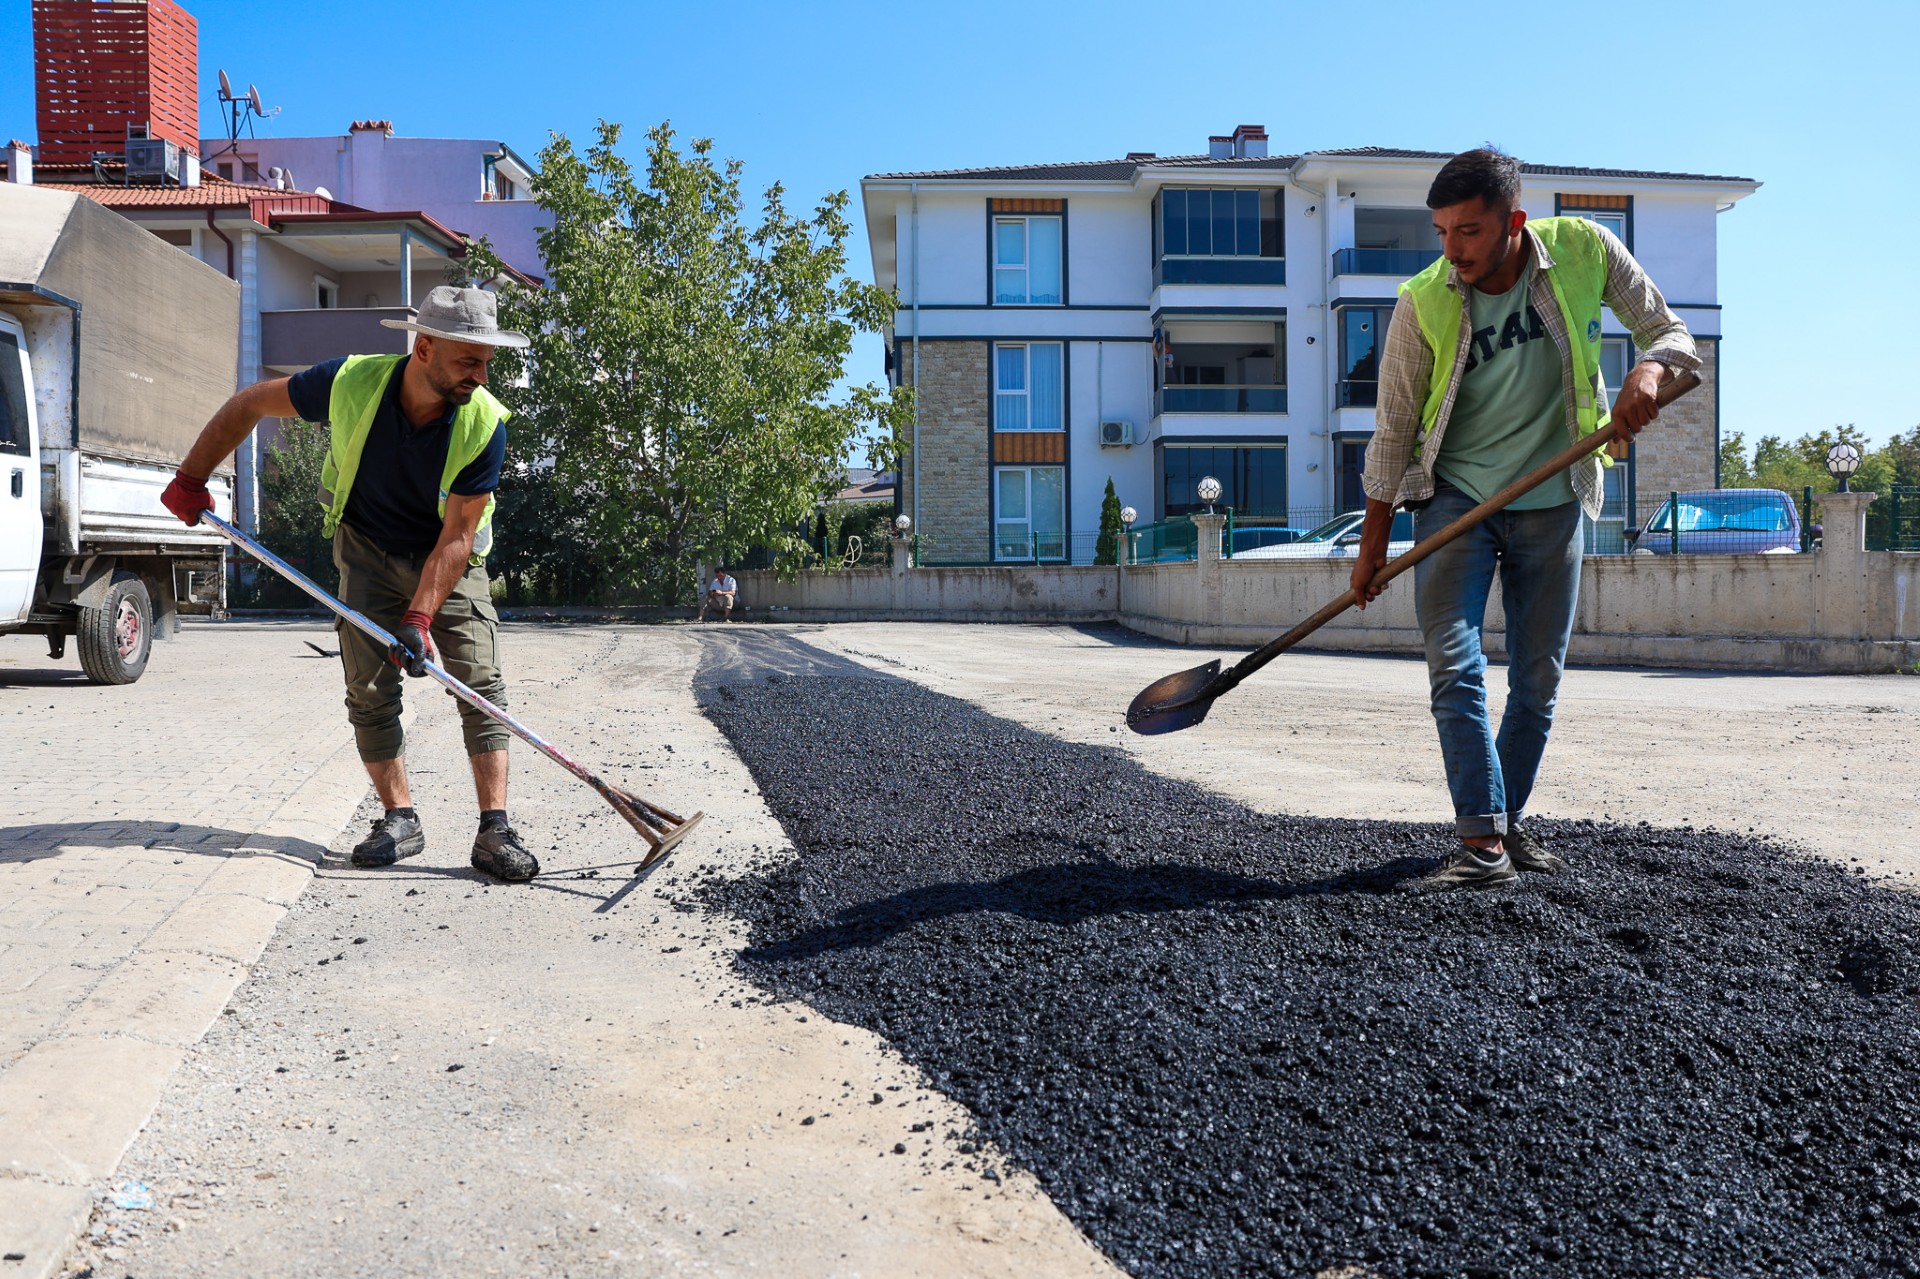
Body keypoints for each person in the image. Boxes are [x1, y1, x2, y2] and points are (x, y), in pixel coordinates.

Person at [1351, 149, 1697, 889]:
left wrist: (1647, 370)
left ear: (1514, 222)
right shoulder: (1423, 298)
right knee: (1454, 658)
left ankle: (1502, 829)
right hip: (1456, 500)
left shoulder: (1583, 249)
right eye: (1442, 231)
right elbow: (1393, 429)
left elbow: (1672, 334)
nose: (1452, 250)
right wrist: (1371, 546)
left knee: (1537, 679)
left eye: (1469, 231)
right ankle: (1480, 842)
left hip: (1554, 498)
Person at [161, 286, 541, 883]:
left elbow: (458, 536)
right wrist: (192, 476)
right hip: (365, 549)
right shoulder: (349, 382)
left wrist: (417, 621)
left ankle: (494, 828)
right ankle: (399, 818)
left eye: (486, 360)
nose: (480, 373)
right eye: (469, 359)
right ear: (424, 348)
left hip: (449, 559)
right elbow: (249, 403)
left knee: (480, 683)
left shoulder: (485, 424)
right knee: (369, 688)